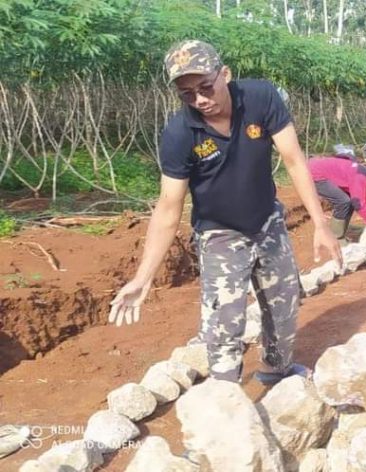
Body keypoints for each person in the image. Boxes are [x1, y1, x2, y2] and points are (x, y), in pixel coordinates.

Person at [107, 40, 341, 385]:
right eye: (187, 94)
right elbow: (168, 209)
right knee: (223, 322)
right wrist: (143, 277)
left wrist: (320, 224)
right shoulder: (179, 133)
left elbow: (293, 160)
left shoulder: (261, 98)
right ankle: (225, 392)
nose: (200, 99)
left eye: (206, 87)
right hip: (219, 233)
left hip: (267, 220)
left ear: (225, 74)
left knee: (284, 305)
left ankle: (276, 371)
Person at [308, 157, 366, 242]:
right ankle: (336, 238)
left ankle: (343, 230)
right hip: (315, 173)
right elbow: (358, 204)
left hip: (323, 172)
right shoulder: (360, 177)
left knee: (348, 202)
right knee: (343, 201)